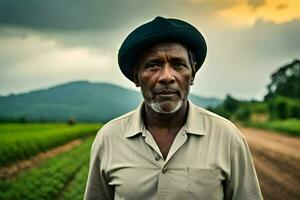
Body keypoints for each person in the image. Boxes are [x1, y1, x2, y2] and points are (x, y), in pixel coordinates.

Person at [84, 16, 263, 200]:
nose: (167, 77)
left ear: (192, 74)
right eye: (153, 65)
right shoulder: (109, 138)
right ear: (136, 77)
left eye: (178, 64)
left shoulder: (227, 137)